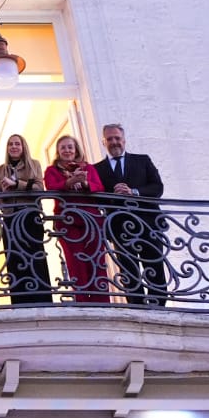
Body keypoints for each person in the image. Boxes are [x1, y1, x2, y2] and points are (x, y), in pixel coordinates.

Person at [91, 124, 167, 306]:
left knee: (154, 266)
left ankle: (159, 309)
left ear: (124, 140)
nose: (114, 142)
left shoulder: (142, 160)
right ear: (103, 142)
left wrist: (134, 192)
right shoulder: (97, 169)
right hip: (118, 227)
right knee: (128, 272)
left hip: (148, 224)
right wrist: (111, 195)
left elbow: (157, 187)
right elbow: (95, 198)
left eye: (117, 138)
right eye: (109, 139)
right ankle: (137, 308)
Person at [0, 134, 52, 306]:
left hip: (30, 218)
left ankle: (43, 301)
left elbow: (40, 189)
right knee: (14, 260)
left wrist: (17, 184)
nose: (14, 147)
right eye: (10, 144)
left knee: (36, 257)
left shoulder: (34, 165)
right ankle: (20, 303)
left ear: (23, 146)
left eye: (17, 143)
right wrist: (3, 192)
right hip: (10, 219)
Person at [45, 133, 105, 302]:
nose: (67, 150)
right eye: (63, 147)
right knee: (75, 260)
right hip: (67, 221)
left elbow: (99, 187)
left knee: (97, 260)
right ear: (58, 150)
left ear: (76, 149)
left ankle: (102, 301)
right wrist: (68, 183)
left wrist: (85, 183)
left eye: (70, 147)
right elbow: (50, 187)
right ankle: (82, 300)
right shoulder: (52, 170)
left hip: (91, 219)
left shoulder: (88, 168)